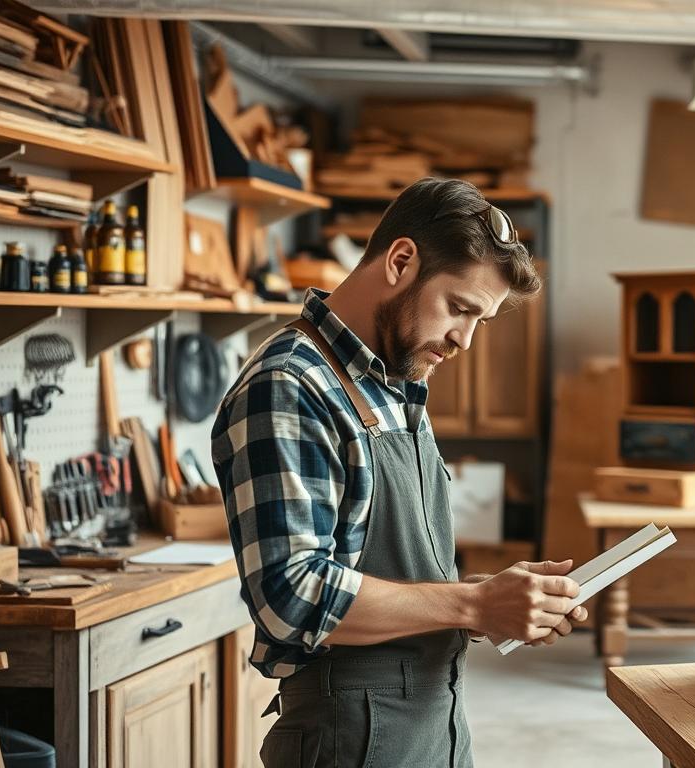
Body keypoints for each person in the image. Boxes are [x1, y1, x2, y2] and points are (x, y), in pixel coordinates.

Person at [212, 178, 583, 768]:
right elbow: (292, 595)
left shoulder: (394, 384)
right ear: (401, 260)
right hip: (351, 737)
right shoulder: (290, 384)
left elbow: (384, 568)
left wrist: (493, 596)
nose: (464, 339)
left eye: (480, 322)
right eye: (459, 309)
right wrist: (473, 606)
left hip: (433, 719)